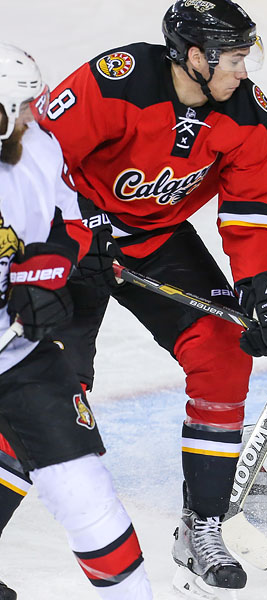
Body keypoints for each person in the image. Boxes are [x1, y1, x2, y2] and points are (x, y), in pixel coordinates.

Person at [0, 1, 267, 597]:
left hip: (157, 240)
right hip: (71, 241)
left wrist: (262, 285)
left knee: (222, 348)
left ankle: (204, 526)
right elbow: (40, 161)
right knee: (50, 382)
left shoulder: (251, 115)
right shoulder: (116, 81)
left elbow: (252, 206)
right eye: (235, 58)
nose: (245, 70)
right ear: (195, 56)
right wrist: (81, 229)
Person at [0, 43, 153, 599]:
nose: (30, 120)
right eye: (18, 109)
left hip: (19, 357)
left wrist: (48, 268)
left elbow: (71, 220)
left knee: (84, 486)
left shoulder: (36, 146)